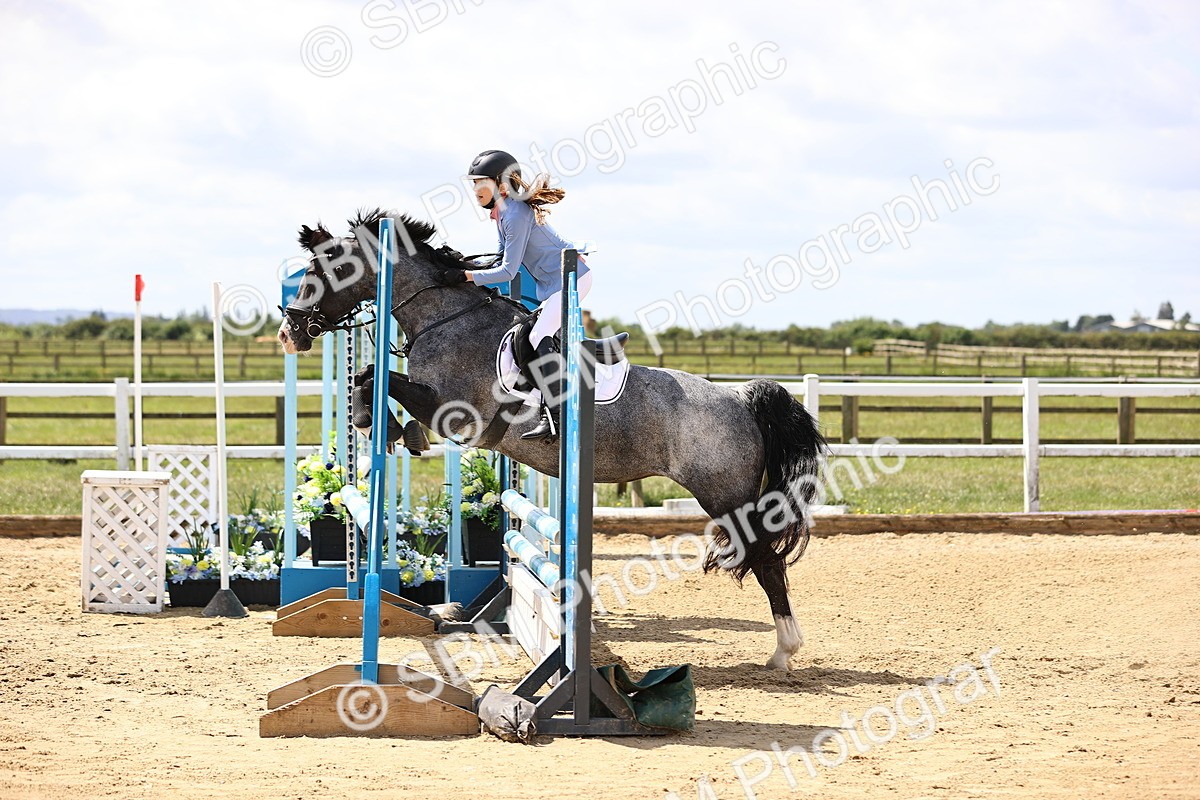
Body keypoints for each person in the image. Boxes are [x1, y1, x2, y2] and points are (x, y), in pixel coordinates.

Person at [436, 149, 592, 440]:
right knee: (525, 337)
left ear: (501, 184)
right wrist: (461, 266)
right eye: (473, 183)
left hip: (572, 279)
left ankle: (557, 416)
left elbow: (508, 271)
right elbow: (498, 258)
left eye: (480, 182)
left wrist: (467, 276)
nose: (475, 189)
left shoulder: (516, 214)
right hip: (555, 285)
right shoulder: (503, 213)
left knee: (537, 336)